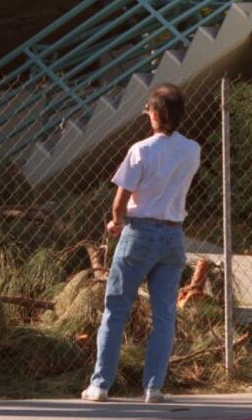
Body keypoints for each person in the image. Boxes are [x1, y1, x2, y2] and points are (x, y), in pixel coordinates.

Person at [82, 83, 201, 404]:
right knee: (164, 315)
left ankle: (100, 385)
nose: (147, 115)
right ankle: (153, 387)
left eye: (149, 110)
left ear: (156, 114)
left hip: (139, 234)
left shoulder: (141, 150)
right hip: (173, 236)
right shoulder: (192, 150)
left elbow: (120, 202)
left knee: (116, 309)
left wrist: (116, 223)